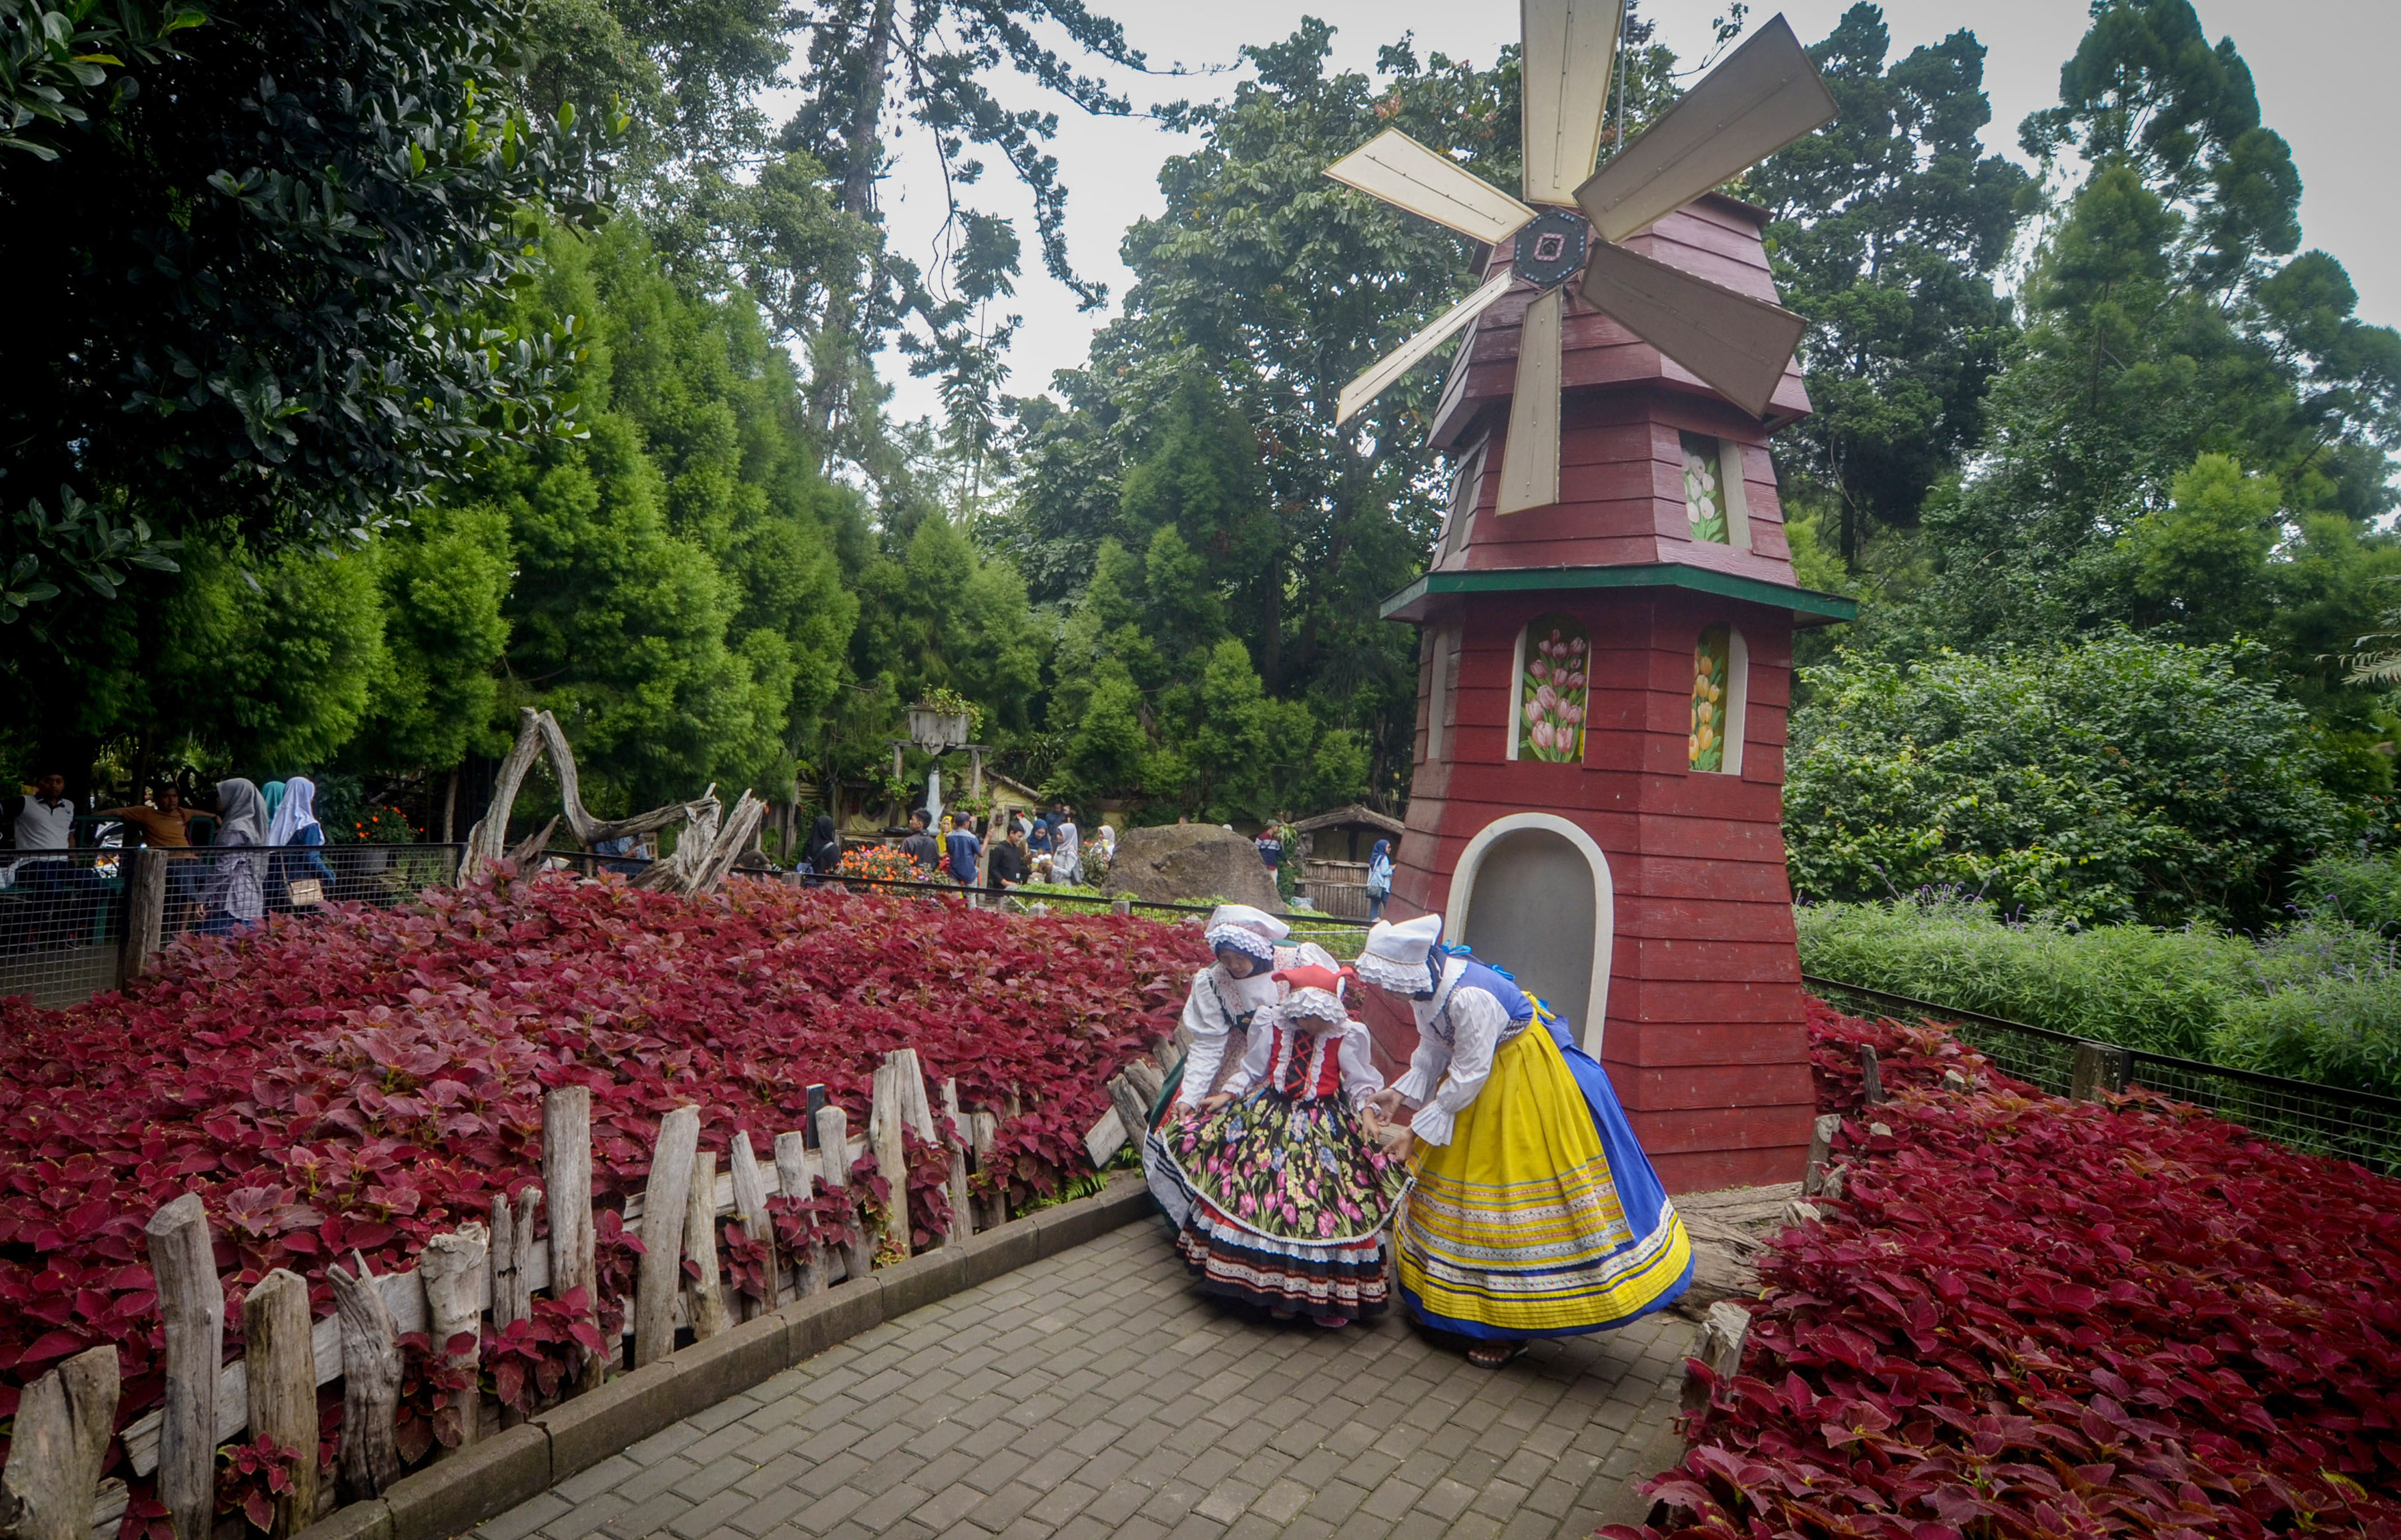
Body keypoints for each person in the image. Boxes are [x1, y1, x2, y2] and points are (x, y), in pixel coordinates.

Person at [1355, 913, 1692, 1368]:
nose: (1393, 995)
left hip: (1522, 1081)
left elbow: (1469, 1073)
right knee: (1460, 1195)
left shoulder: (1469, 995)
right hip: (1479, 1081)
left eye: (1394, 986)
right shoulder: (1427, 985)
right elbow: (1435, 1048)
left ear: (1413, 972)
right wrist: (1400, 1093)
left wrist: (1414, 1130)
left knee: (1507, 1195)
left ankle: (1509, 1326)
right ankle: (1450, 1307)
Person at [1169, 962, 1402, 1327]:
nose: (1311, 1026)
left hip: (1322, 1126)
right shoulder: (1273, 1025)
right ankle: (1267, 1288)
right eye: (1305, 1017)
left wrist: (1368, 1112)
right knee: (1258, 1197)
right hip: (1269, 1119)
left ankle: (1318, 1295)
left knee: (1319, 1205)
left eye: (1318, 1018)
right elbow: (1253, 1068)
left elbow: (1359, 1081)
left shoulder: (1346, 1034)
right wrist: (1227, 1094)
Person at [1141, 905, 1300, 1226]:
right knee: (1218, 1136)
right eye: (1224, 958)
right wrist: (1189, 1095)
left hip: (1293, 1058)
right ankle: (1213, 1226)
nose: (1233, 966)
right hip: (1239, 1059)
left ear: (1254, 948)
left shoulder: (1295, 962)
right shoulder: (1214, 981)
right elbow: (1209, 1044)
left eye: (1239, 957)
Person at [199, 778, 270, 936]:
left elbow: (223, 870)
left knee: (210, 946)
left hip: (232, 899)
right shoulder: (255, 825)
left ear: (236, 796)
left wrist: (202, 897)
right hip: (252, 897)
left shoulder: (235, 828)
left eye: (222, 795)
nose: (218, 799)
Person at [266, 775, 336, 908]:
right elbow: (311, 857)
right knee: (304, 922)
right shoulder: (307, 824)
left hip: (274, 882)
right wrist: (328, 876)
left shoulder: (277, 821)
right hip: (302, 885)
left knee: (274, 922)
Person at [944, 814, 983, 890]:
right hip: (969, 871)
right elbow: (981, 854)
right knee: (971, 898)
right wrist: (987, 838)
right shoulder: (972, 837)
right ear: (966, 823)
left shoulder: (949, 837)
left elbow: (949, 852)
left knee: (954, 898)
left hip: (954, 871)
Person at [987, 821, 1030, 890]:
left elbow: (1018, 866)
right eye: (1019, 836)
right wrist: (1004, 882)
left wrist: (1031, 870)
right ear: (1011, 833)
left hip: (1015, 885)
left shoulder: (1017, 850)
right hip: (1001, 888)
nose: (1019, 839)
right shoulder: (1000, 849)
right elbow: (993, 869)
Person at [898, 809, 940, 877]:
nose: (910, 821)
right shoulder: (934, 842)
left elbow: (902, 861)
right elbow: (936, 862)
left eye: (912, 820)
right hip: (928, 879)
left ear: (920, 824)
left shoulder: (909, 841)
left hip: (911, 879)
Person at [801, 814, 842, 882]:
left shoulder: (808, 845)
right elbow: (837, 869)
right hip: (825, 887)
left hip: (808, 885)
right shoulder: (832, 848)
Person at [1051, 803, 1081, 886]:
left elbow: (1068, 872)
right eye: (1058, 834)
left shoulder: (1070, 851)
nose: (1058, 837)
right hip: (1055, 884)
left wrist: (1053, 869)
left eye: (1061, 835)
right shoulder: (1060, 847)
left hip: (1064, 887)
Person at [1366, 838, 1394, 922]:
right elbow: (1384, 872)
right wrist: (1392, 870)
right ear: (1383, 848)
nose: (1390, 849)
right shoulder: (1384, 858)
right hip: (1383, 887)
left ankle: (1372, 924)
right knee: (1388, 907)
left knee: (1374, 907)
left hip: (1375, 886)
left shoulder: (1375, 858)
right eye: (1388, 847)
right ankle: (1390, 923)